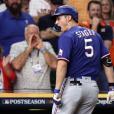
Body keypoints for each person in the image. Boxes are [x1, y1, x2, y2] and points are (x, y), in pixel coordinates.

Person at [52, 5, 114, 114]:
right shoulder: (96, 35)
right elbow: (107, 60)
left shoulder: (67, 36)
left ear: (68, 18)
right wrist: (112, 87)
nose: (56, 22)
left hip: (73, 87)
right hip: (92, 89)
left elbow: (62, 64)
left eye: (58, 18)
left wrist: (56, 90)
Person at [9, 24, 57, 93]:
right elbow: (16, 66)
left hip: (44, 95)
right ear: (25, 35)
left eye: (36, 33)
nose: (34, 36)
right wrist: (28, 49)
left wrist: (42, 48)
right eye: (31, 33)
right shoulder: (16, 46)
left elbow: (55, 65)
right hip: (22, 96)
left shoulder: (46, 45)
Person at [81, 0, 113, 92]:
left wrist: (95, 26)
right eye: (93, 10)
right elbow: (86, 50)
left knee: (107, 99)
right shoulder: (81, 28)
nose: (96, 12)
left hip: (102, 69)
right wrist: (94, 26)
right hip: (84, 69)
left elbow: (105, 50)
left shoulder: (107, 28)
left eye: (98, 10)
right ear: (88, 12)